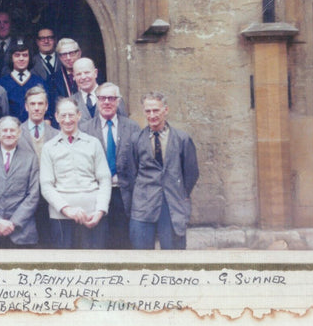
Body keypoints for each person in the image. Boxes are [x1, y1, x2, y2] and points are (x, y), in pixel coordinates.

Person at [129, 92, 199, 250]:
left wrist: (181, 193)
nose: (152, 115)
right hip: (144, 205)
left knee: (173, 254)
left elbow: (191, 172)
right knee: (142, 254)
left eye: (156, 110)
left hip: (171, 204)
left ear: (165, 110)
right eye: (148, 111)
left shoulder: (182, 139)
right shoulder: (136, 139)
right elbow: (132, 171)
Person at [39, 98, 112, 249]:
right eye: (63, 116)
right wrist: (67, 210)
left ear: (79, 115)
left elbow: (105, 180)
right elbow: (46, 185)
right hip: (61, 218)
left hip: (92, 216)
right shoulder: (49, 147)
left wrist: (100, 211)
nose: (67, 120)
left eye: (71, 115)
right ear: (57, 117)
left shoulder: (93, 143)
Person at [79, 82, 140, 249]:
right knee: (99, 244)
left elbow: (139, 162)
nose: (107, 102)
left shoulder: (132, 127)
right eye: (103, 98)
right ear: (97, 101)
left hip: (124, 194)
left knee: (123, 243)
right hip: (96, 195)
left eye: (111, 98)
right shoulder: (84, 129)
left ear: (118, 101)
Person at [0, 116, 40, 248]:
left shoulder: (31, 159)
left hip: (22, 233)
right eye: (4, 131)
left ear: (19, 133)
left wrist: (13, 223)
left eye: (12, 130)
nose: (8, 134)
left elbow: (33, 195)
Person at [18, 85, 58, 248]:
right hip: (24, 196)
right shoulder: (15, 133)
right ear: (26, 107)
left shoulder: (56, 134)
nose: (36, 108)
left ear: (46, 106)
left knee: (50, 241)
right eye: (32, 104)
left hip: (50, 197)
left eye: (40, 104)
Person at [0, 40, 48, 123]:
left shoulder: (39, 82)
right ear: (11, 58)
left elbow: (47, 114)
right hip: (10, 130)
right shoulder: (1, 83)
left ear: (29, 58)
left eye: (25, 55)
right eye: (17, 55)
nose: (21, 59)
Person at [48, 38, 81, 102]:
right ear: (59, 57)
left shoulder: (93, 75)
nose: (68, 58)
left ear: (79, 53)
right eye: (64, 54)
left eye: (72, 53)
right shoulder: (52, 80)